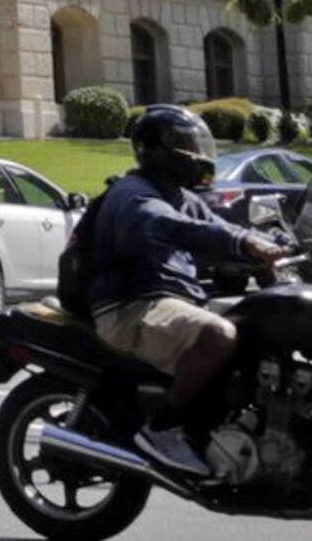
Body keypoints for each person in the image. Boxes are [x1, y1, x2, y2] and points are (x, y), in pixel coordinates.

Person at [82, 103, 286, 481]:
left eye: (196, 143)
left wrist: (278, 244)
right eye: (185, 144)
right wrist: (242, 242)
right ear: (154, 150)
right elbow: (170, 227)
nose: (197, 153)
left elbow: (220, 228)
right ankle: (163, 429)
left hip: (175, 300)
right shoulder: (133, 194)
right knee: (216, 334)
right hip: (133, 304)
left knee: (265, 323)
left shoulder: (182, 196)